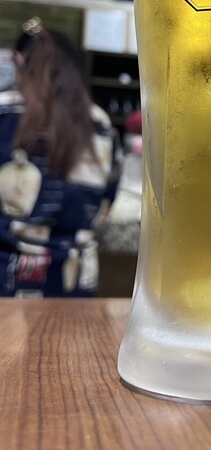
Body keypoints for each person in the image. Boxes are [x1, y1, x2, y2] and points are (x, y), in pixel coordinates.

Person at [0, 17, 121, 297]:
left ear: (19, 60)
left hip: (6, 280)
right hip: (74, 283)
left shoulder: (4, 111)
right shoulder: (101, 125)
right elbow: (105, 204)